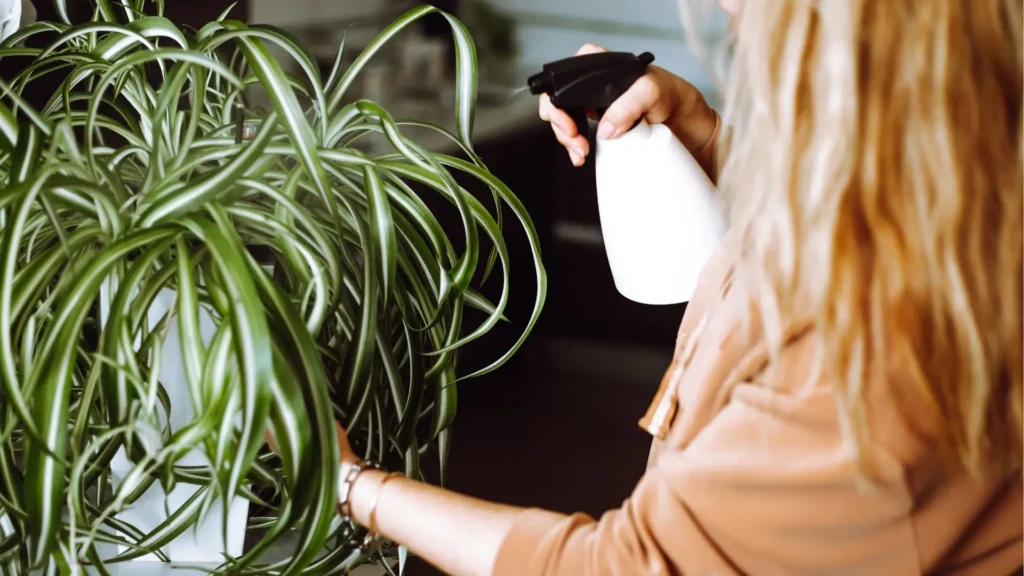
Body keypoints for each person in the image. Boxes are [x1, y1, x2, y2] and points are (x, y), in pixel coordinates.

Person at [324, 0, 1024, 574]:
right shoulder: (967, 196)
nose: (729, 5)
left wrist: (350, 483)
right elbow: (840, 233)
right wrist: (710, 137)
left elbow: (618, 569)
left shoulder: (869, 365)